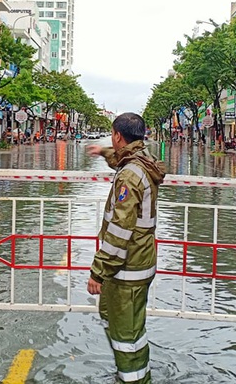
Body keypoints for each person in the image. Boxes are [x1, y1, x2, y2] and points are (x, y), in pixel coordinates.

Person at [86, 112, 166, 384]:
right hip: (137, 262)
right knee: (121, 324)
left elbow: (120, 231)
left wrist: (98, 271)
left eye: (112, 135)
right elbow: (122, 159)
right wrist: (103, 152)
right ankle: (132, 375)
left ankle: (135, 379)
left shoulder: (130, 175)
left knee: (126, 336)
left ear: (118, 135)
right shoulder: (142, 160)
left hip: (128, 266)